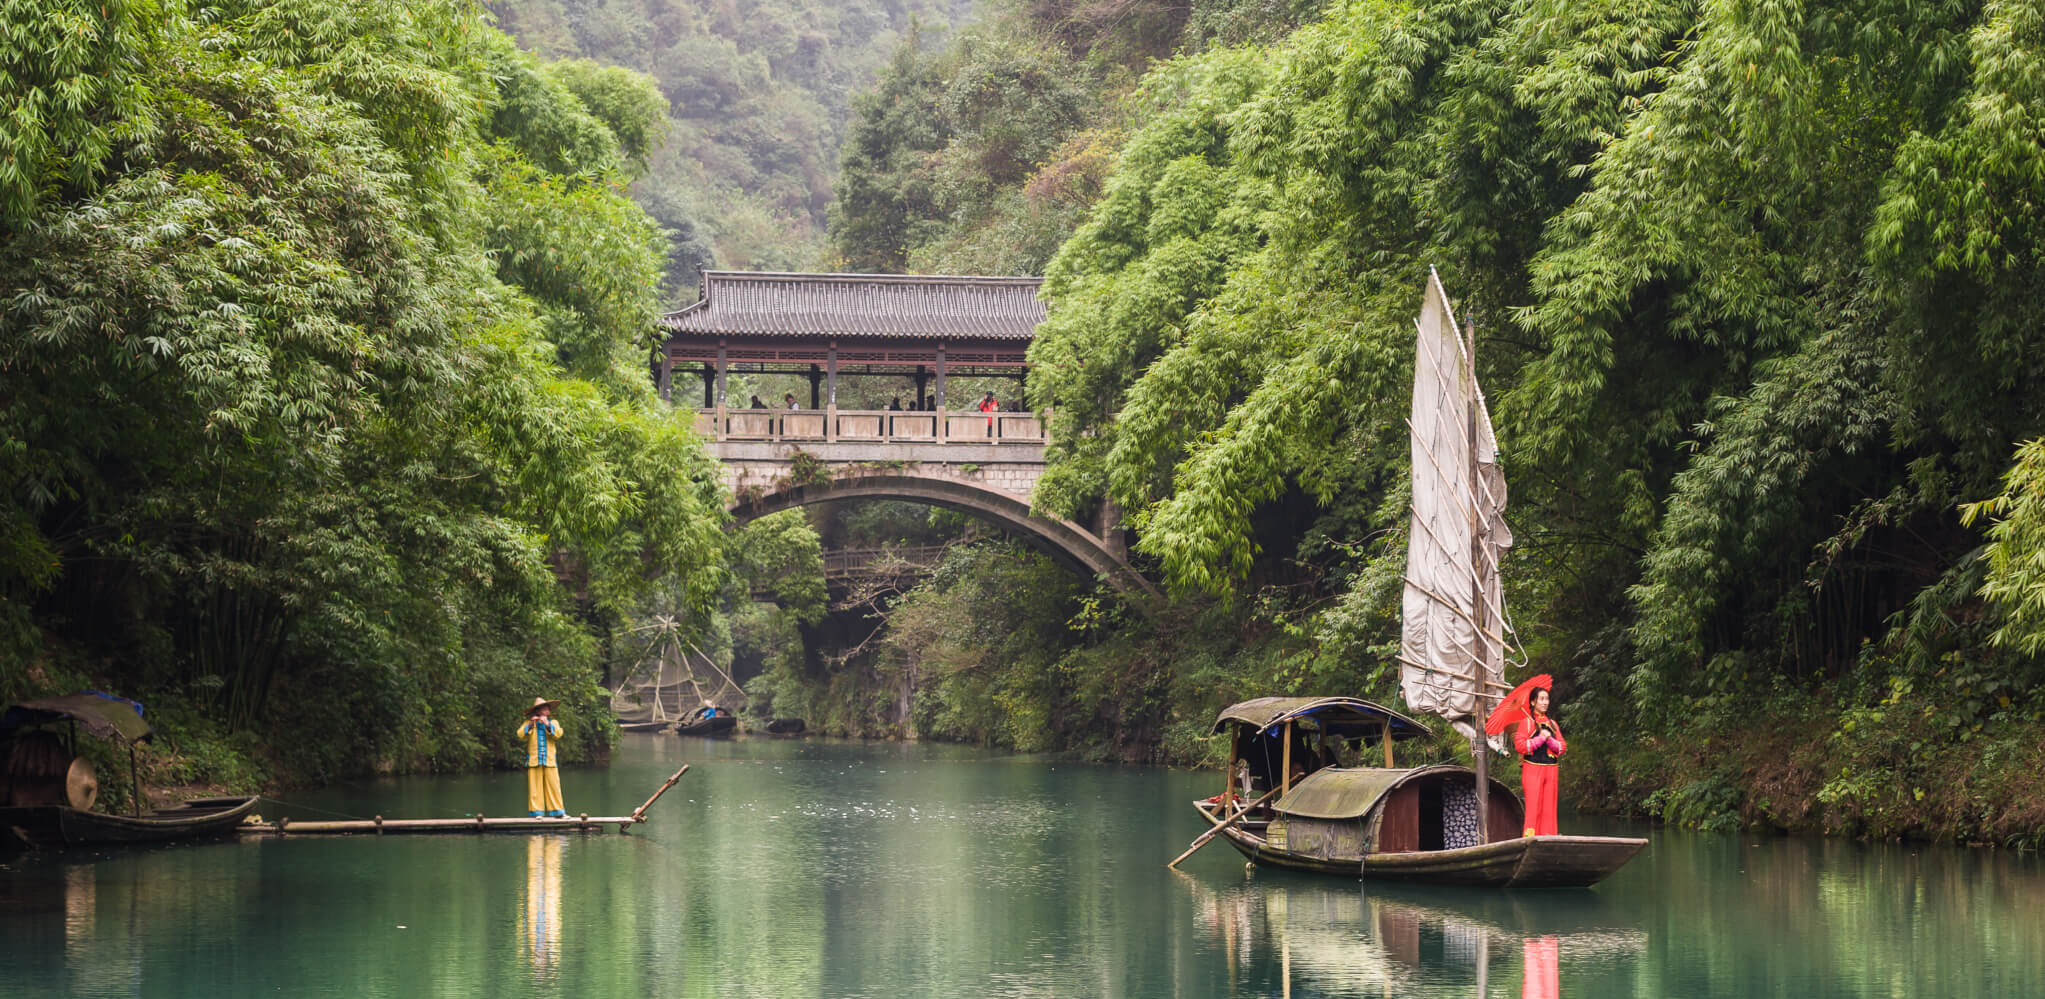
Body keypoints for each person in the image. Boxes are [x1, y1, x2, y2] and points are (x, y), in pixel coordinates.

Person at [1514, 686, 1567, 837]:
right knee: (1534, 807)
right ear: (1533, 702)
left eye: (1547, 699)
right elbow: (1520, 746)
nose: (1545, 702)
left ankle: (1549, 838)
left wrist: (1549, 739)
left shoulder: (1553, 724)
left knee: (1549, 808)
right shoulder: (1527, 723)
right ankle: (1530, 839)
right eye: (1541, 699)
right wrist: (1540, 738)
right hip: (1532, 770)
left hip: (1551, 770)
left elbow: (1562, 747)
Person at [517, 697, 568, 818]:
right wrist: (531, 724)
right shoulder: (529, 723)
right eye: (545, 708)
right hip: (534, 760)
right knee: (535, 788)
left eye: (548, 708)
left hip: (549, 760)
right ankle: (537, 813)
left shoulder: (553, 722)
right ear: (538, 711)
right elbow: (520, 734)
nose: (547, 710)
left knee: (554, 786)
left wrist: (547, 724)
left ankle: (558, 813)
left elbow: (558, 734)